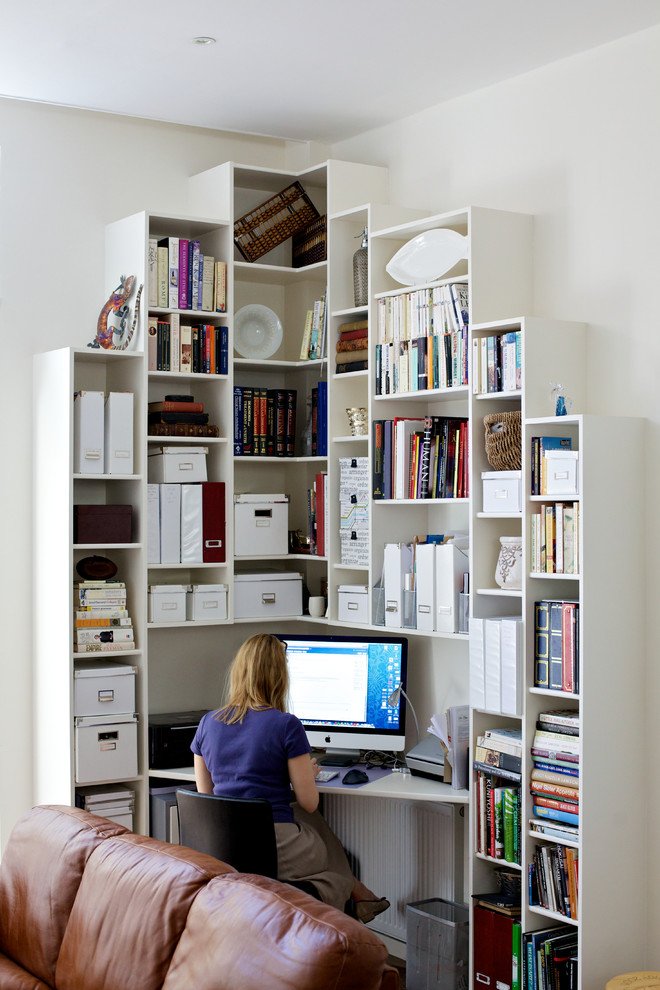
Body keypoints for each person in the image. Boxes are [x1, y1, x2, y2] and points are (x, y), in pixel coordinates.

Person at [191, 632, 389, 921]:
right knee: (332, 864)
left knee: (310, 825)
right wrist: (305, 773)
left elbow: (206, 797)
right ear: (279, 677)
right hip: (273, 845)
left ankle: (357, 894)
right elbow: (309, 802)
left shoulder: (208, 722)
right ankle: (348, 896)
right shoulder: (286, 725)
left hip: (224, 846)